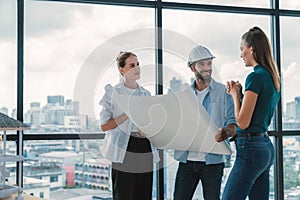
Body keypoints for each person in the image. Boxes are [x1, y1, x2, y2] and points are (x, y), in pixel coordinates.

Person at [216, 26, 281, 200]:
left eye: (242, 49)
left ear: (251, 49)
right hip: (265, 147)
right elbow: (258, 112)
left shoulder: (255, 77)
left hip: (250, 148)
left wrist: (235, 95)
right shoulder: (272, 77)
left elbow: (243, 122)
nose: (241, 54)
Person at [173, 45, 237, 200]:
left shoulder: (224, 92)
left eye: (209, 63)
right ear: (192, 68)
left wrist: (226, 132)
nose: (207, 68)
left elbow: (233, 124)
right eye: (202, 64)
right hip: (186, 161)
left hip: (213, 163)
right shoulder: (183, 94)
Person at [99, 51, 160, 200]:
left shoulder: (146, 94)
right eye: (132, 65)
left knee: (144, 193)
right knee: (123, 194)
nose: (137, 68)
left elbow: (151, 124)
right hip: (123, 150)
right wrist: (127, 113)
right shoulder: (112, 93)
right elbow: (105, 126)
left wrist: (149, 130)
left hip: (144, 147)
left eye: (138, 64)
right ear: (122, 70)